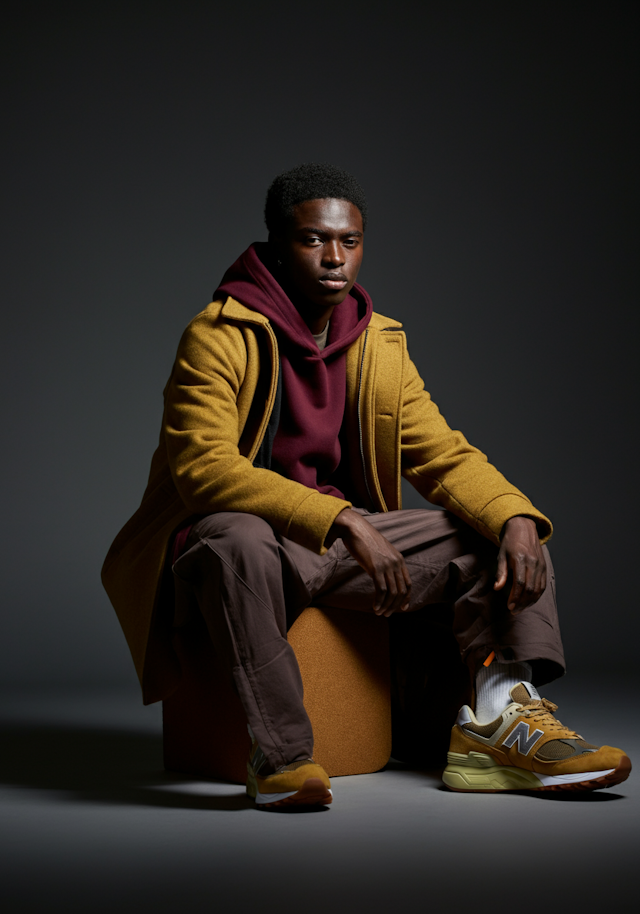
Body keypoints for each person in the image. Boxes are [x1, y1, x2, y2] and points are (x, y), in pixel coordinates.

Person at [102, 163, 631, 809]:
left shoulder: (379, 342)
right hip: (237, 546)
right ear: (276, 247)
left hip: (335, 547)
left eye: (349, 241)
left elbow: (442, 454)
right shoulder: (218, 334)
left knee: (494, 532)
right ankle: (282, 757)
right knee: (235, 537)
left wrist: (516, 516)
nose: (334, 258)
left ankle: (499, 725)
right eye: (313, 240)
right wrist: (345, 520)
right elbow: (205, 469)